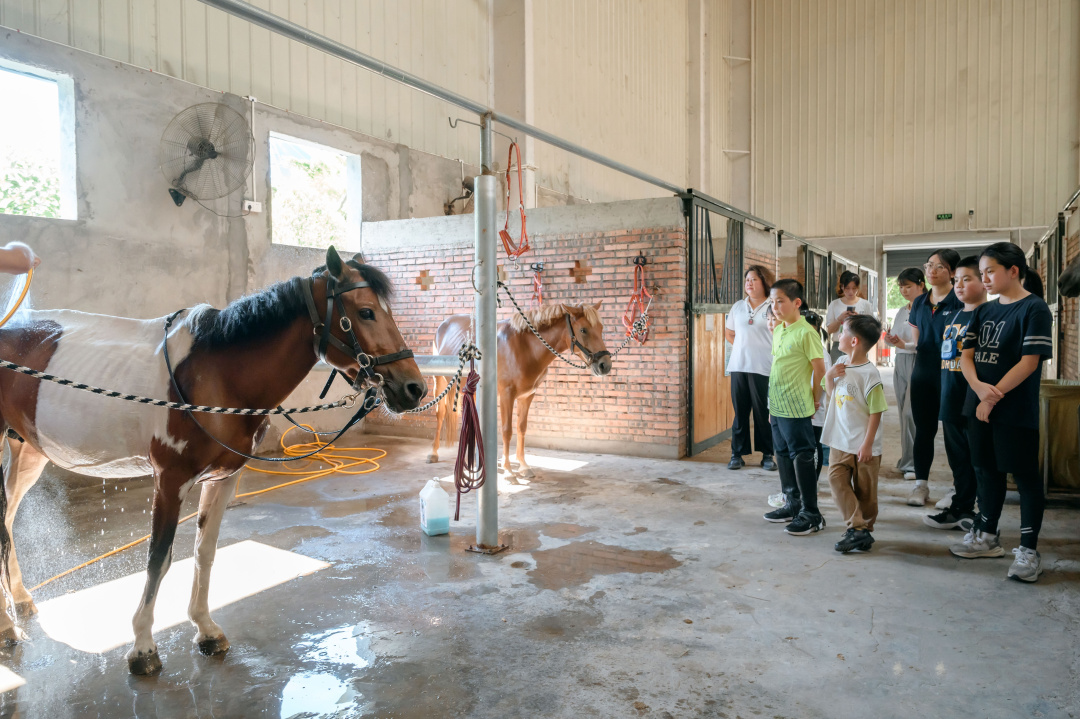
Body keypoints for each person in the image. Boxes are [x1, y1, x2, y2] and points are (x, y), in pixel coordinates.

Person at [951, 243, 1053, 583]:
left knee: (1024, 478)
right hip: (977, 403)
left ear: (1013, 270)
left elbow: (1029, 362)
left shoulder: (1034, 309)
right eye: (982, 274)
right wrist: (979, 390)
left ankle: (1028, 550)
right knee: (984, 469)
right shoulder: (983, 311)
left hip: (1014, 409)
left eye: (990, 271)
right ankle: (987, 535)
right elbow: (966, 357)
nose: (985, 279)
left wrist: (993, 397)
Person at [923, 256, 985, 532]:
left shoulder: (989, 314)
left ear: (985, 282)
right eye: (956, 280)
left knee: (979, 461)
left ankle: (985, 515)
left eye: (967, 279)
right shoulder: (958, 312)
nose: (958, 285)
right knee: (958, 458)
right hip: (951, 395)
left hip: (974, 399)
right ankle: (962, 507)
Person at [762, 279, 827, 536]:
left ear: (796, 303)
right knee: (782, 454)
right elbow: (778, 368)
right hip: (777, 406)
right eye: (772, 302)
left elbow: (820, 370)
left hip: (797, 406)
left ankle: (812, 513)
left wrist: (814, 399)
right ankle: (792, 504)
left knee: (802, 457)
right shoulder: (779, 330)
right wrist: (771, 406)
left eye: (780, 301)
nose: (775, 307)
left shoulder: (806, 332)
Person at [822, 314, 887, 553]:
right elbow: (833, 396)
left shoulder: (869, 374)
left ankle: (864, 530)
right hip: (840, 439)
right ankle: (856, 527)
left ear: (854, 341)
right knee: (835, 479)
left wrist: (868, 444)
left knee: (866, 492)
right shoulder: (840, 363)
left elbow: (877, 411)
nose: (839, 335)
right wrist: (829, 376)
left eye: (843, 332)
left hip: (863, 444)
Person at [904, 249, 963, 506]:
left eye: (939, 266)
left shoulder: (959, 300)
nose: (931, 270)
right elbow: (919, 343)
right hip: (924, 372)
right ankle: (921, 485)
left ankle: (959, 488)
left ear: (952, 272)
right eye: (929, 265)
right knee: (923, 430)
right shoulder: (919, 302)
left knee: (954, 432)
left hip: (952, 373)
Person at [725, 266, 777, 471]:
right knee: (740, 413)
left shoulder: (772, 306)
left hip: (763, 367)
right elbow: (729, 333)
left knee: (763, 413)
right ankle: (736, 454)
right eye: (747, 279)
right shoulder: (738, 306)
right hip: (739, 366)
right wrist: (742, 347)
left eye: (754, 279)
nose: (749, 282)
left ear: (764, 281)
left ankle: (767, 455)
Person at [884, 268, 926, 481]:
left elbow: (925, 343)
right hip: (900, 360)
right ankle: (906, 460)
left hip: (917, 361)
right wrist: (890, 340)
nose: (903, 290)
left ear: (921, 284)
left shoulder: (927, 308)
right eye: (901, 286)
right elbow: (896, 337)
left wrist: (904, 344)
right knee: (902, 412)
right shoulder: (902, 310)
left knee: (912, 413)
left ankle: (916, 464)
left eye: (908, 286)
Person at [825, 270, 876, 361]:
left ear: (858, 288)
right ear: (842, 287)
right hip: (838, 346)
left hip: (859, 346)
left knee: (857, 373)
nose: (851, 292)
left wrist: (859, 320)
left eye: (854, 288)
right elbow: (829, 330)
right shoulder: (834, 304)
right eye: (847, 288)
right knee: (838, 374)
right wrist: (839, 319)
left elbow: (872, 329)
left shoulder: (865, 304)